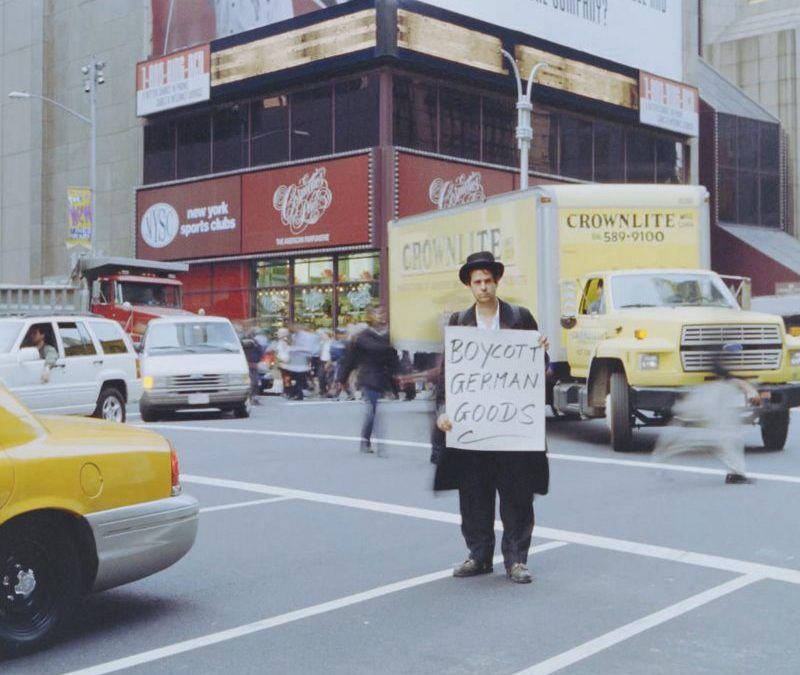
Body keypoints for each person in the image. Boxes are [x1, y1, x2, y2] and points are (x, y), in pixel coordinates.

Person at [433, 251, 550, 584]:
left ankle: (516, 560)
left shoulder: (520, 317)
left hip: (512, 426)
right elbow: (447, 376)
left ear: (497, 281)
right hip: (472, 427)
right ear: (470, 286)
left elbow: (541, 370)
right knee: (474, 495)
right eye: (477, 282)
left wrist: (541, 350)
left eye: (488, 281)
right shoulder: (458, 323)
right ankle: (479, 555)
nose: (483, 287)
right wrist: (443, 411)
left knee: (517, 494)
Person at [652, 356, 760, 484]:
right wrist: (750, 389)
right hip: (714, 390)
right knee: (726, 435)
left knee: (725, 434)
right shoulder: (720, 347)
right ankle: (736, 473)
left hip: (708, 390)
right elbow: (723, 371)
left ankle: (736, 473)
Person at [337, 306, 399, 455]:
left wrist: (399, 374)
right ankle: (374, 444)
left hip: (383, 376)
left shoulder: (389, 336)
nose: (381, 316)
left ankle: (366, 440)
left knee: (375, 409)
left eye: (383, 313)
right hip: (368, 376)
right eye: (377, 313)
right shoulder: (363, 337)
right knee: (372, 410)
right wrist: (341, 379)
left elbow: (393, 359)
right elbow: (350, 359)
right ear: (370, 317)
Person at [241, 330, 265, 405]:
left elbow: (261, 353)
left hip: (251, 365)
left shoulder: (255, 344)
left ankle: (252, 397)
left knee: (254, 381)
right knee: (252, 382)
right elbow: (261, 353)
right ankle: (251, 397)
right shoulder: (254, 344)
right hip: (247, 365)